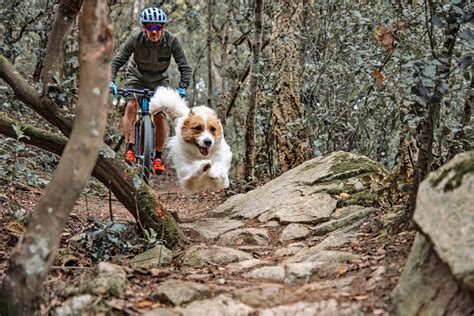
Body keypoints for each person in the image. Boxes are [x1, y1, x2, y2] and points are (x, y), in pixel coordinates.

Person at [109, 7, 192, 175]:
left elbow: (185, 67)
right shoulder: (135, 40)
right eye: (150, 27)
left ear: (163, 27)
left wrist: (182, 87)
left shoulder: (171, 41)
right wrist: (110, 81)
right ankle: (130, 148)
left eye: (158, 27)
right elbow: (117, 62)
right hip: (136, 77)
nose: (154, 32)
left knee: (159, 115)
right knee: (131, 106)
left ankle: (158, 157)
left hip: (159, 80)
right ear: (144, 27)